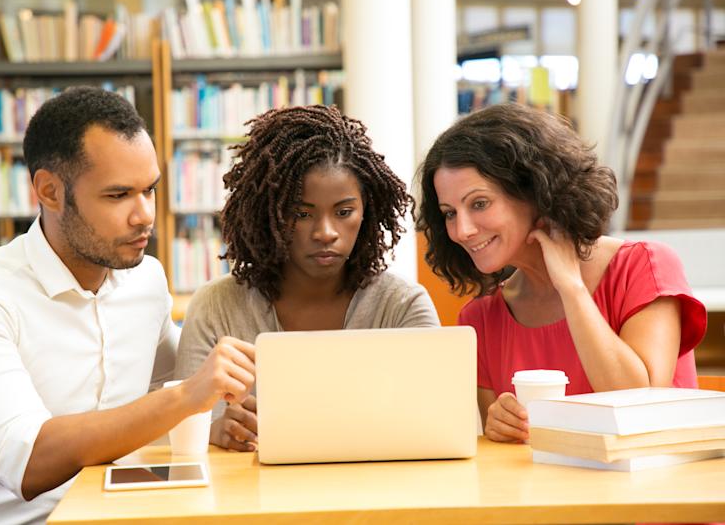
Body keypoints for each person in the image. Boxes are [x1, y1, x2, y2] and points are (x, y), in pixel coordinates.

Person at [0, 87, 256, 524]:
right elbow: (27, 462)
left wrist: (215, 417)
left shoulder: (146, 280)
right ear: (49, 191)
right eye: (118, 195)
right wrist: (188, 397)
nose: (145, 216)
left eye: (149, 190)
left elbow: (177, 380)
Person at [415, 104, 707, 444]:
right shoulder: (481, 318)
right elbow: (513, 458)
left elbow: (637, 407)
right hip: (549, 494)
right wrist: (500, 427)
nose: (462, 230)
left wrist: (571, 288)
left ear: (535, 191)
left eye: (479, 203)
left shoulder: (644, 267)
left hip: (652, 491)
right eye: (449, 213)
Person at [174, 105, 440, 451]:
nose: (326, 232)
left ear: (367, 212)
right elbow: (182, 426)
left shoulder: (403, 306)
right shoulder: (216, 307)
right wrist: (212, 433)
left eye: (344, 212)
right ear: (267, 212)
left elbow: (437, 422)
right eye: (301, 213)